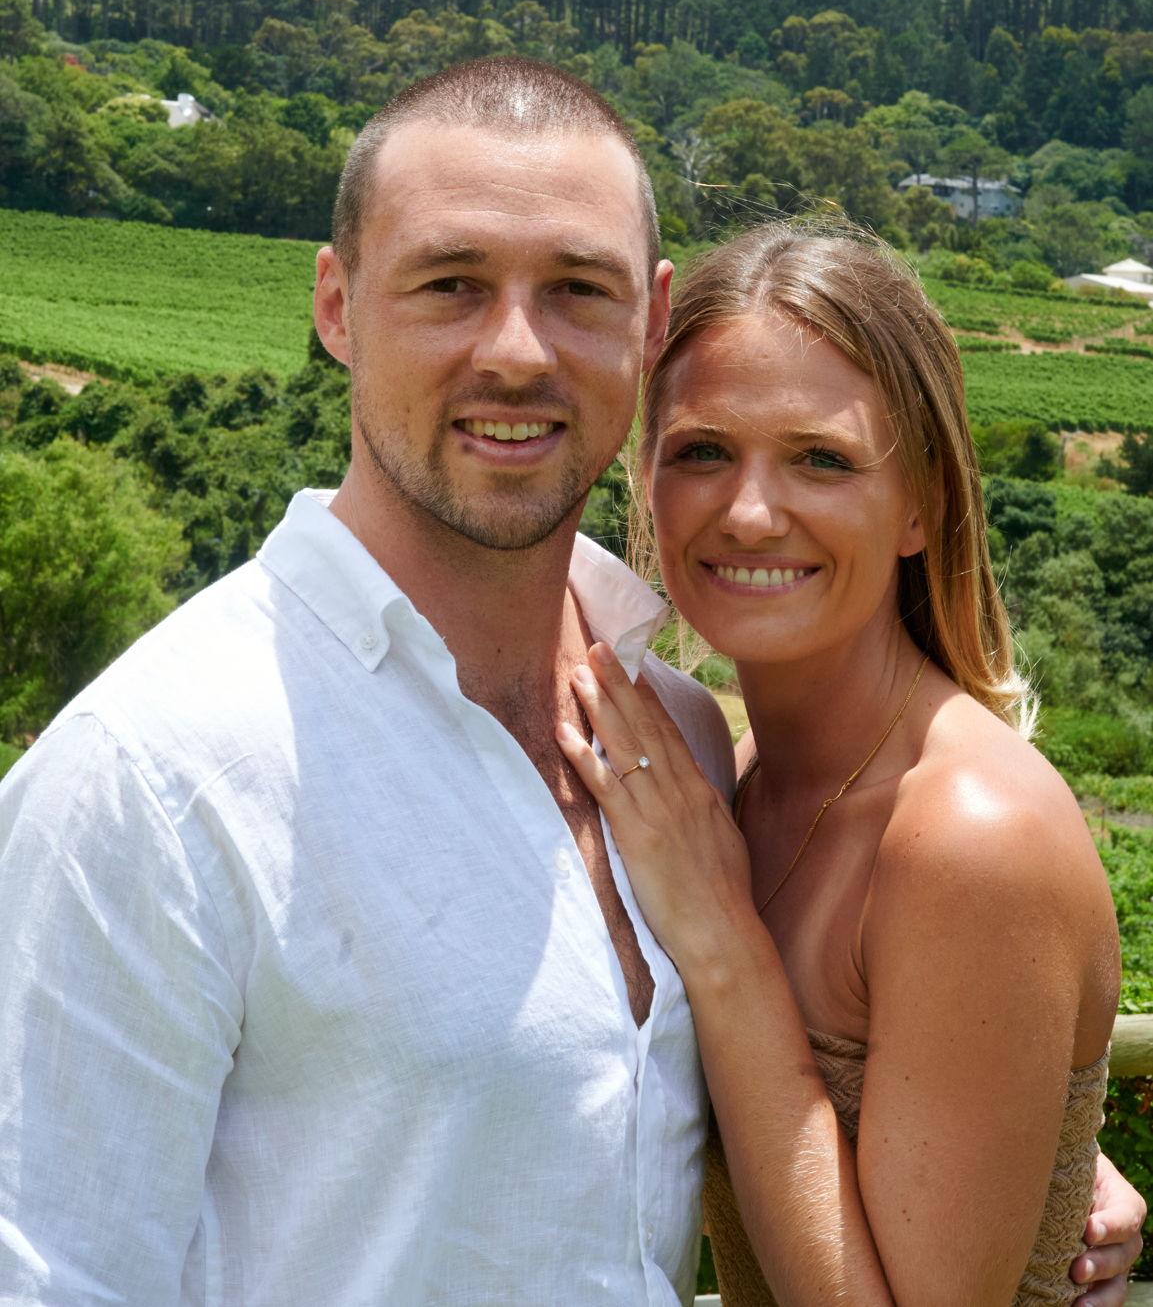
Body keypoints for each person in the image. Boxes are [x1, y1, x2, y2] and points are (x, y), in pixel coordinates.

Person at [0, 66, 1141, 1306]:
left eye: (577, 289)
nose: (514, 349)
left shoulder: (676, 745)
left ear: (647, 325)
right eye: (450, 283)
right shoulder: (151, 779)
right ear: (336, 305)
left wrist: (1043, 1149)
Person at [557, 222, 1147, 1307]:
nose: (748, 512)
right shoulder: (732, 778)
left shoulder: (967, 834)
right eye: (702, 450)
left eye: (820, 458)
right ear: (646, 478)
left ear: (922, 502)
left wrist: (723, 946)